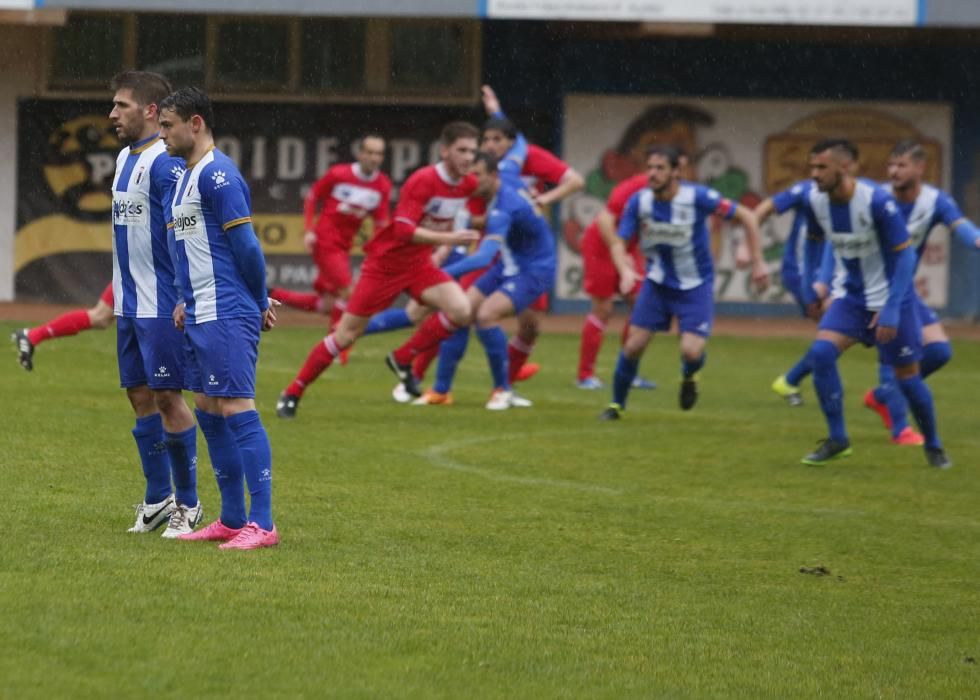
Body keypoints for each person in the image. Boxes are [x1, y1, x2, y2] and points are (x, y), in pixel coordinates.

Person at [275, 122, 480, 418]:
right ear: (445, 150)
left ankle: (403, 357)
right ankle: (293, 391)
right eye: (462, 150)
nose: (468, 157)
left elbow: (447, 219)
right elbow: (404, 230)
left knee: (461, 310)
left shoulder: (468, 184)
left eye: (472, 151)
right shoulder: (422, 180)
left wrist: (444, 248)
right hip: (385, 266)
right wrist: (448, 240)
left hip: (419, 264)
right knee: (345, 334)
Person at [158, 86, 280, 549]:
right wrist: (185, 298)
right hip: (200, 310)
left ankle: (263, 524)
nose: (163, 134)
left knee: (235, 407)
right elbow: (190, 247)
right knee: (208, 409)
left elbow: (245, 245)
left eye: (168, 125)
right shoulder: (185, 176)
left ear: (196, 124)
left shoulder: (218, 174)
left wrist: (260, 298)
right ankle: (231, 519)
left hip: (227, 307)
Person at [792, 139, 949, 468]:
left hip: (893, 298)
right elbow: (813, 242)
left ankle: (933, 445)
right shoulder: (815, 200)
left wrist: (892, 308)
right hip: (852, 297)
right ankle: (838, 439)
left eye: (822, 167)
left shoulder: (876, 201)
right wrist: (810, 287)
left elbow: (905, 254)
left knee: (907, 376)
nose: (814, 174)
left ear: (846, 167)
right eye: (812, 167)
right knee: (821, 354)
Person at [598, 144, 769, 419]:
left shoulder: (698, 197)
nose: (652, 174)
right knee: (633, 345)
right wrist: (625, 269)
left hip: (695, 285)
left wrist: (758, 260)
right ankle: (616, 405)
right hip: (657, 283)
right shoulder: (639, 201)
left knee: (691, 352)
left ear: (677, 171)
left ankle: (690, 378)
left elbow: (747, 216)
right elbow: (619, 241)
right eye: (650, 167)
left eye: (660, 168)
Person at [106, 71, 201, 537]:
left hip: (162, 302)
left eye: (121, 105)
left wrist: (186, 292)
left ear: (149, 110)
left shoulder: (166, 164)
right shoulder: (125, 156)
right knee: (138, 396)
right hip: (129, 302)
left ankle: (189, 504)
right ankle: (157, 499)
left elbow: (183, 229)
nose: (112, 114)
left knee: (167, 397)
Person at [413, 153, 556, 408]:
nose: (471, 180)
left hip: (534, 268)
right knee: (460, 313)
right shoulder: (507, 179)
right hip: (510, 261)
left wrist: (442, 274)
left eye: (477, 175)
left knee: (487, 316)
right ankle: (441, 391)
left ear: (493, 176)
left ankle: (502, 390)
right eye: (469, 174)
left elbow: (483, 258)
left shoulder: (504, 208)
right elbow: (517, 147)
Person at [861, 140, 980, 438]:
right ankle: (901, 430)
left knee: (938, 351)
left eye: (901, 165)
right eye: (891, 165)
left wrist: (977, 239)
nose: (893, 171)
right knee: (894, 355)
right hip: (872, 289)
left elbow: (960, 226)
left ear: (920, 168)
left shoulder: (934, 201)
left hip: (903, 290)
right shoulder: (876, 197)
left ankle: (883, 396)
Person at [478, 86, 585, 386]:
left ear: (512, 142)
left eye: (497, 139)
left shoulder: (531, 157)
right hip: (492, 245)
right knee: (465, 311)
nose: (489, 145)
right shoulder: (485, 167)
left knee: (530, 325)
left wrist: (544, 201)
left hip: (523, 250)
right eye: (486, 139)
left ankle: (507, 378)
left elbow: (576, 181)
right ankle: (426, 376)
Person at [269, 135, 391, 332]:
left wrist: (380, 250)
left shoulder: (382, 185)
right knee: (350, 294)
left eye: (379, 153)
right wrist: (309, 230)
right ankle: (335, 345)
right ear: (360, 154)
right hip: (326, 241)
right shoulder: (339, 174)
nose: (374, 158)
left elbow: (381, 223)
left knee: (327, 305)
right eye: (369, 152)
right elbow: (312, 196)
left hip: (344, 246)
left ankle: (270, 292)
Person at [575, 172, 652, 389]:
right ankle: (585, 375)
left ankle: (629, 372)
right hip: (601, 246)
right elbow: (604, 221)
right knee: (603, 308)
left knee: (641, 305)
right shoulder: (632, 187)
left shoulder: (673, 193)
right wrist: (618, 250)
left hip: (628, 247)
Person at [11, 283, 115, 372]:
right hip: (128, 273)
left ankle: (33, 335)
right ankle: (33, 335)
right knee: (101, 316)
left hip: (128, 272)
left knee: (101, 318)